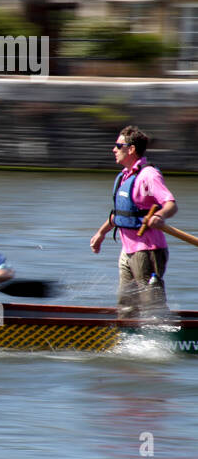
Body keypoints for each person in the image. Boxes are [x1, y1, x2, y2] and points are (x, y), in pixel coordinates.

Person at [90, 126, 178, 317]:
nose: (114, 149)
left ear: (130, 149)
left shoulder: (149, 175)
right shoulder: (123, 176)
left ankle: (166, 340)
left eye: (118, 145)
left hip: (148, 250)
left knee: (151, 305)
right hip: (127, 251)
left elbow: (171, 204)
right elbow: (121, 214)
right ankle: (127, 339)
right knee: (126, 306)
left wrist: (160, 215)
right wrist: (101, 233)